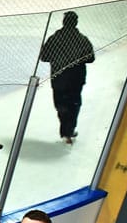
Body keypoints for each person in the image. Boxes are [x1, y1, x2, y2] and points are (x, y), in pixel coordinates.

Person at [39, 11, 95, 144]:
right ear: (75, 23)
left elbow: (44, 57)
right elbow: (91, 58)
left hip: (59, 78)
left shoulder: (54, 38)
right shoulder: (82, 39)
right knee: (74, 104)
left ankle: (66, 129)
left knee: (61, 104)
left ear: (63, 22)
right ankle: (69, 130)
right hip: (76, 78)